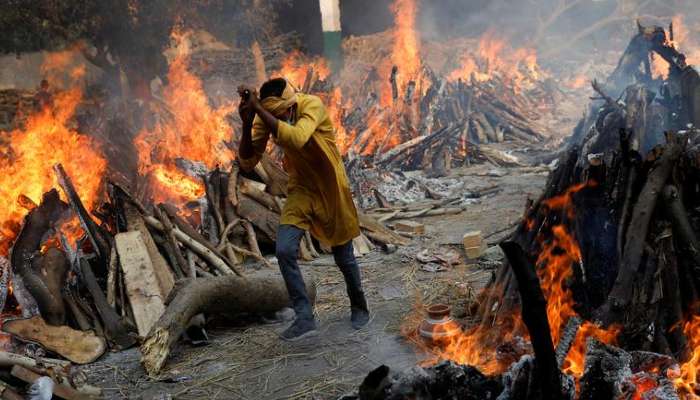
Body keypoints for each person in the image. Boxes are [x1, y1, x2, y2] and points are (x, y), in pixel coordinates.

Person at [237, 78, 370, 341]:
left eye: (282, 112)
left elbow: (297, 138)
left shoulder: (312, 105)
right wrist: (247, 120)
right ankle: (305, 318)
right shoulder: (268, 115)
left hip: (330, 186)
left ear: (290, 102)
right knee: (284, 250)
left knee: (343, 255)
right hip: (301, 188)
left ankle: (359, 306)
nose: (281, 117)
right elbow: (248, 160)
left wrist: (261, 110)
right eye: (275, 114)